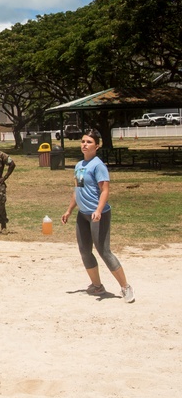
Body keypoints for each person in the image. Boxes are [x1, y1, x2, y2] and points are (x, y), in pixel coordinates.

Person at [60, 129, 135, 303]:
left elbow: (105, 190)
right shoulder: (79, 165)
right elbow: (77, 190)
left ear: (97, 146)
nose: (84, 144)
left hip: (98, 214)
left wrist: (99, 210)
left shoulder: (98, 165)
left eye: (89, 142)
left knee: (104, 251)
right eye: (83, 141)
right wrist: (69, 210)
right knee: (85, 251)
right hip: (83, 215)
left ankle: (125, 287)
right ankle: (97, 286)